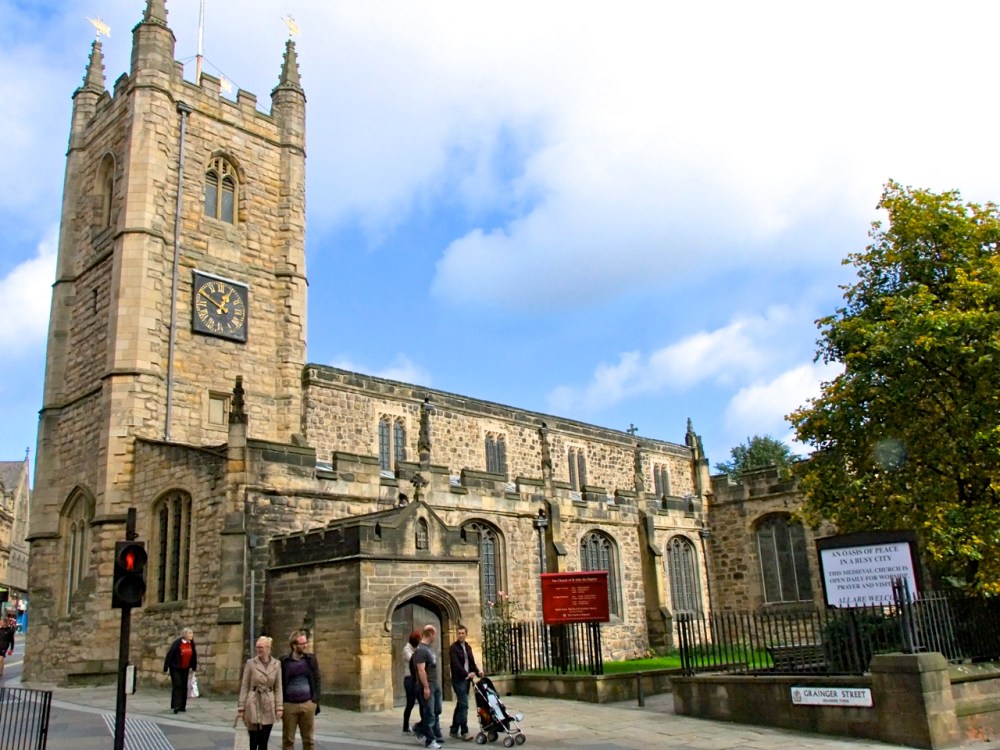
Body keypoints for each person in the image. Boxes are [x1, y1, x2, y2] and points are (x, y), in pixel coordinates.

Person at [239, 636, 284, 750]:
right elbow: (245, 686)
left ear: (268, 648)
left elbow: (278, 687)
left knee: (264, 740)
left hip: (268, 703)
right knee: (254, 740)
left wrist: (279, 707)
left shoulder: (276, 664)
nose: (258, 649)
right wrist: (241, 707)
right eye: (257, 647)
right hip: (253, 702)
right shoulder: (251, 663)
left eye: (261, 647)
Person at [280, 629, 321, 750]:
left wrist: (315, 700)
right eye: (302, 643)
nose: (305, 645)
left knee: (308, 740)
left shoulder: (310, 659)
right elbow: (279, 682)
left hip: (307, 703)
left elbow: (317, 679)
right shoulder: (284, 661)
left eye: (305, 643)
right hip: (289, 705)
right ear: (294, 645)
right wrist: (281, 703)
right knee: (288, 740)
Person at [410, 624, 443, 749]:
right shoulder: (421, 650)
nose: (435, 637)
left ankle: (419, 728)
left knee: (437, 710)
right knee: (430, 713)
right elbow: (421, 670)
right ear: (431, 634)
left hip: (435, 684)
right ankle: (430, 740)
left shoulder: (429, 648)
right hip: (427, 685)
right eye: (435, 634)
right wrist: (426, 687)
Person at [448, 625, 484, 741]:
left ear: (466, 634)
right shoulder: (453, 648)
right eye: (459, 633)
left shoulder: (468, 647)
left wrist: (478, 672)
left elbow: (471, 663)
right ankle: (464, 731)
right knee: (464, 705)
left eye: (463, 633)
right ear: (457, 634)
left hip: (467, 681)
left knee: (460, 704)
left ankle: (454, 730)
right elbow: (456, 665)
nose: (461, 635)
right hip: (458, 680)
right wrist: (466, 674)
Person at [163, 627, 198, 714]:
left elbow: (194, 655)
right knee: (177, 685)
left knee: (184, 686)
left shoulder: (191, 643)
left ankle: (182, 706)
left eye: (192, 633)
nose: (192, 635)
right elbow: (170, 654)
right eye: (190, 633)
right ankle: (176, 705)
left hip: (185, 668)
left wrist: (194, 667)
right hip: (175, 667)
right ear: (185, 635)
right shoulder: (178, 643)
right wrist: (166, 667)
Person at [401, 631, 421, 735]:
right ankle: (405, 727)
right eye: (418, 640)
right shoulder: (406, 649)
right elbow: (413, 660)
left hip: (417, 678)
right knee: (410, 703)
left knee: (422, 702)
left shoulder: (417, 648)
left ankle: (424, 725)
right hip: (409, 678)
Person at [0, 613, 15, 679]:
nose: (0, 623)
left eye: (1, 622)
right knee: (1, 661)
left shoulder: (10, 631)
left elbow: (12, 640)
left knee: (0, 659)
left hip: (4, 647)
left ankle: (0, 672)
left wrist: (11, 649)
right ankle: (1, 671)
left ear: (5, 623)